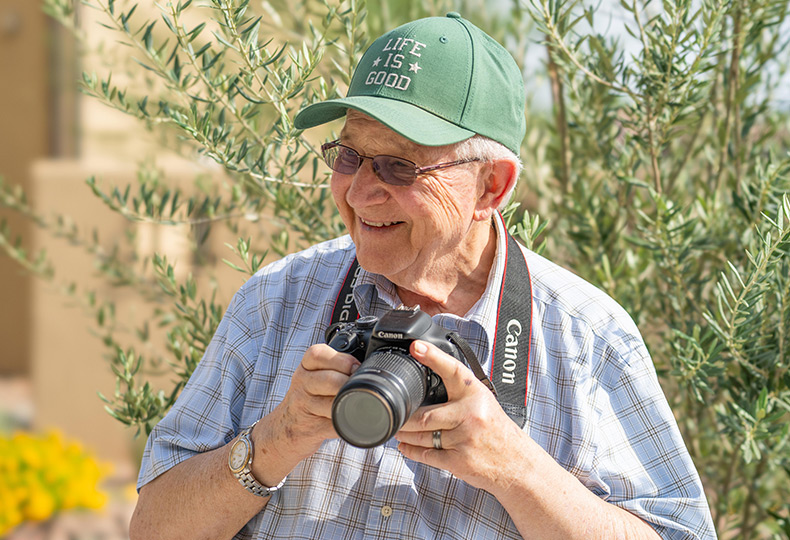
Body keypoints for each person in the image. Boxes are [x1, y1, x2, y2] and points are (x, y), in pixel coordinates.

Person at [130, 12, 716, 540]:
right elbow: (152, 530)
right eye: (349, 155)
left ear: (493, 186)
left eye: (400, 166)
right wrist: (278, 439)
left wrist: (516, 468)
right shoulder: (274, 299)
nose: (360, 191)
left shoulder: (586, 334)